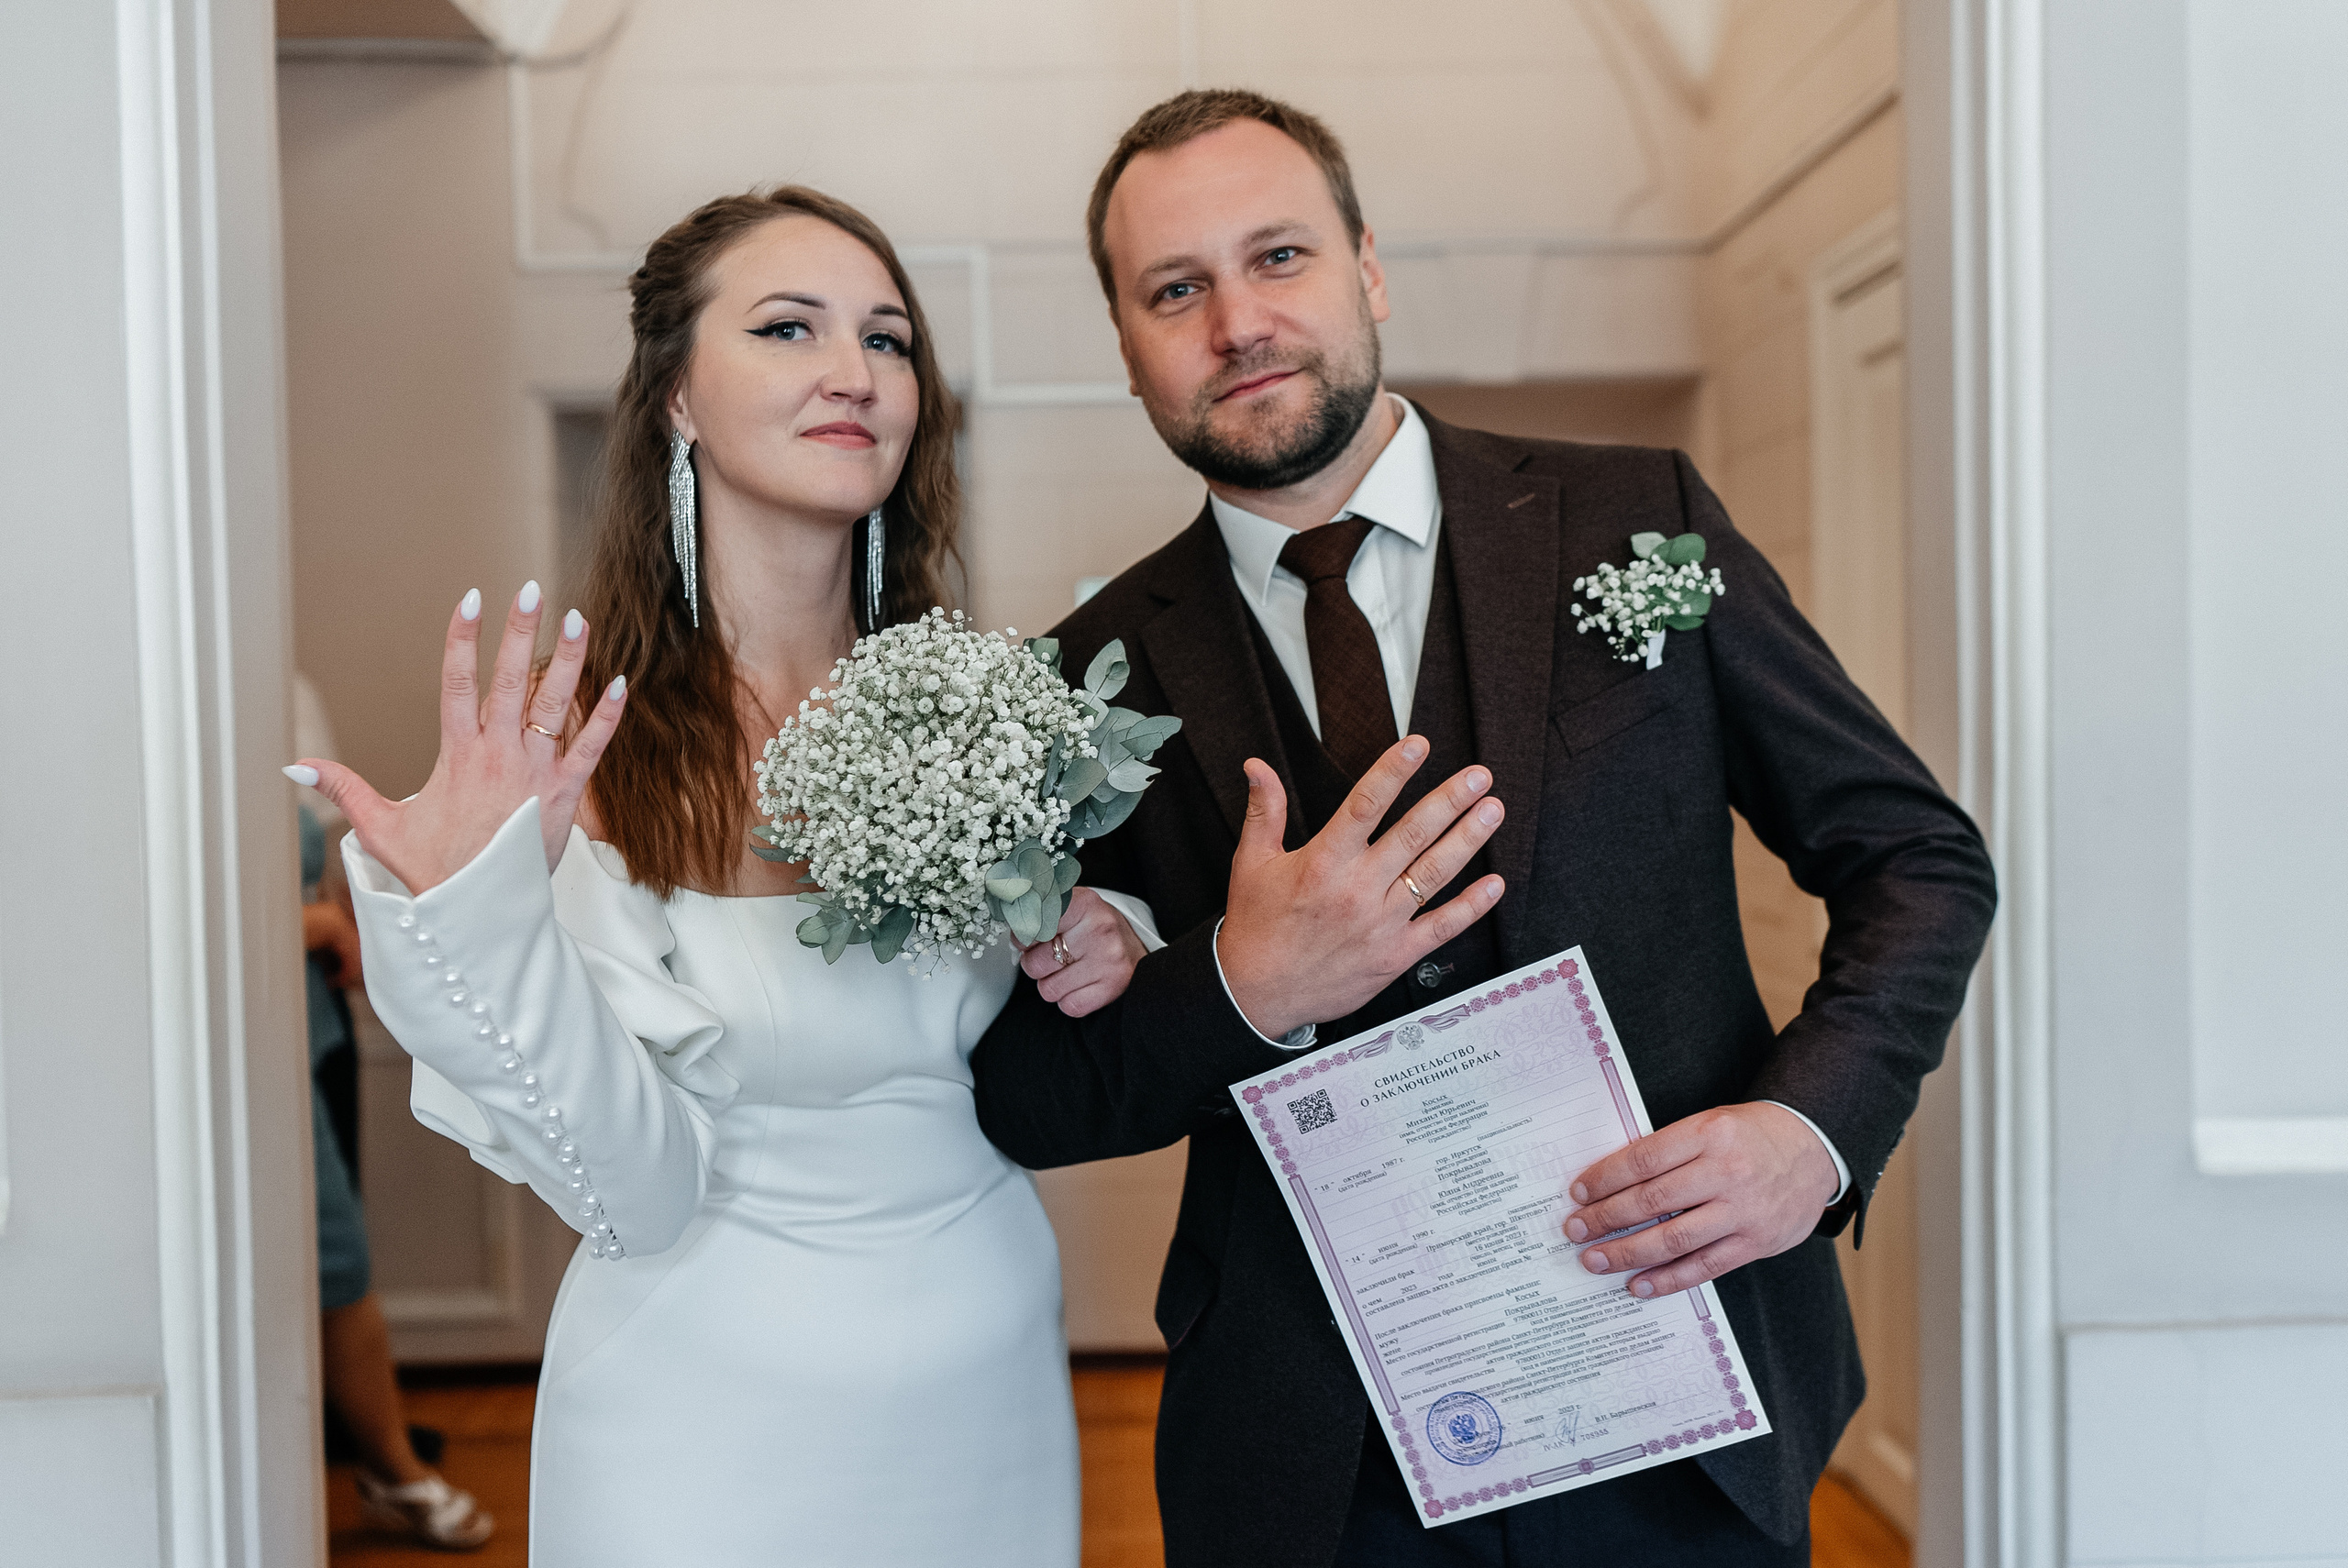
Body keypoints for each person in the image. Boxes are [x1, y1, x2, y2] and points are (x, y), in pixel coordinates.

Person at [968, 90, 1999, 1567]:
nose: (1238, 321)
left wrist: (1809, 1130)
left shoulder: (1637, 514)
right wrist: (1239, 990)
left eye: (1279, 257)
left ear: (1367, 269)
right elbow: (1031, 1094)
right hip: (1313, 1456)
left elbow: (1917, 859)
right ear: (1124, 344)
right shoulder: (1079, 679)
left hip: (1683, 1387)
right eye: (1174, 289)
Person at [289, 187, 1194, 1564]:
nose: (856, 372)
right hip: (702, 1403)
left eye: (889, 340)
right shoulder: (576, 755)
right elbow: (635, 1189)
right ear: (676, 401)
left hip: (983, 1368)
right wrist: (472, 912)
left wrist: (1113, 926)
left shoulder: (988, 708)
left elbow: (1055, 1002)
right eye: (788, 327)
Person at [298, 798, 494, 1551]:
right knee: (334, 1251)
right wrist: (319, 927)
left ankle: (384, 1467)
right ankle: (390, 1467)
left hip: (311, 1024)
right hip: (242, 1043)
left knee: (338, 1249)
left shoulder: (283, 719)